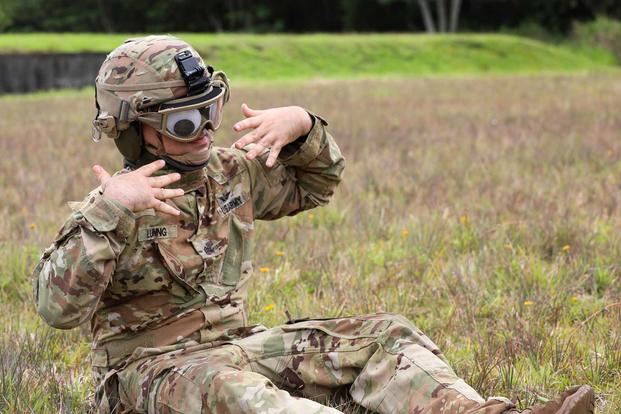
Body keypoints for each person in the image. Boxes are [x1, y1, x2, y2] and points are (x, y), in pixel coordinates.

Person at [33, 35, 594, 414]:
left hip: (238, 345)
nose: (205, 131)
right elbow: (58, 312)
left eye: (212, 111)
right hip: (149, 374)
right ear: (134, 131)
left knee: (385, 334)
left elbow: (315, 185)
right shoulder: (109, 209)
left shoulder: (230, 174)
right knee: (252, 400)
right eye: (184, 121)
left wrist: (303, 129)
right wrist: (109, 210)